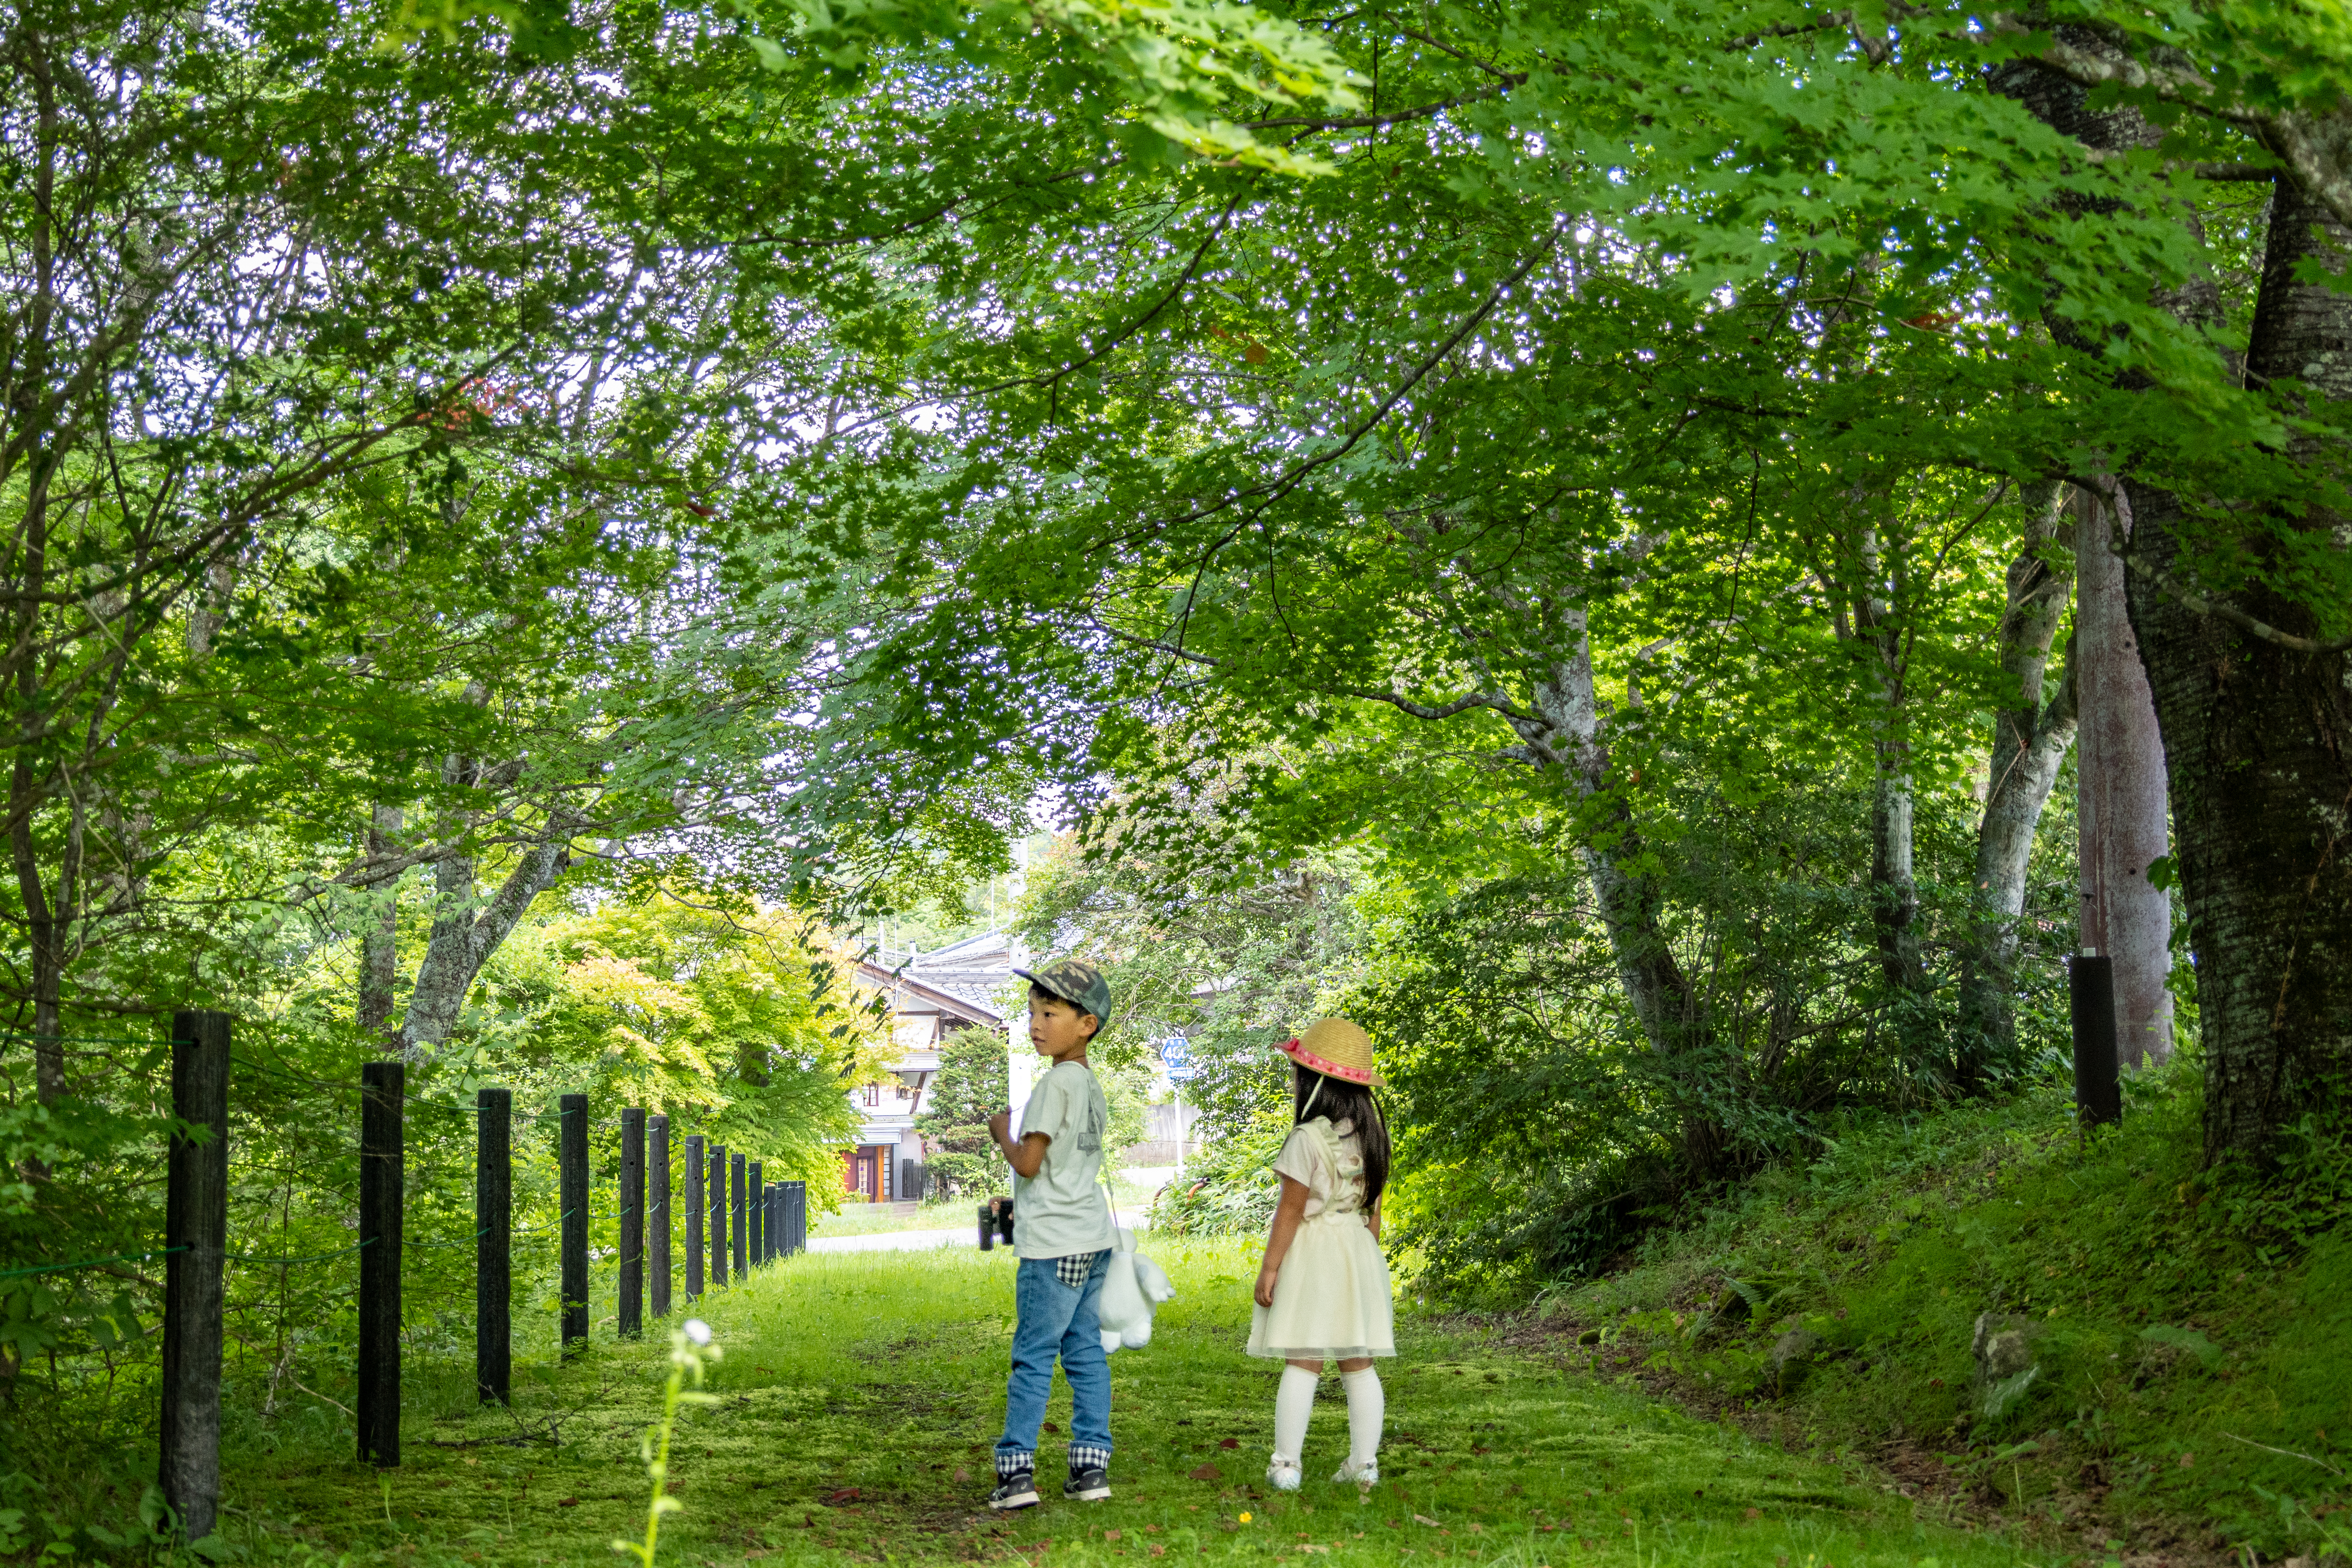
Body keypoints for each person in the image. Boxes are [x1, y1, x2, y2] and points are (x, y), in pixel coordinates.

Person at [983, 957, 1118, 1511]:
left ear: (1086, 1023)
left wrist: (1001, 1136)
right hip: (1092, 1239)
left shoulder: (1052, 1086)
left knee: (1034, 1355)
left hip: (1053, 1249)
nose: (1035, 1025)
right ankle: (1091, 1468)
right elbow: (1065, 1170)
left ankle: (1016, 1475)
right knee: (1085, 1351)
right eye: (1032, 1013)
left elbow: (1033, 1162)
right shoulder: (1089, 1085)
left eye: (1049, 1012)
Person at [1248, 1017, 1395, 1493]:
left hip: (1314, 1252)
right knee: (1359, 1360)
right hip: (1357, 1248)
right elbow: (1373, 1212)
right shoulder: (1373, 1137)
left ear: (1314, 1082)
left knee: (1303, 1358)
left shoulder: (1307, 1139)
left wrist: (1270, 1268)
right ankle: (1364, 1465)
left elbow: (1290, 1213)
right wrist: (1366, 1261)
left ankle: (1287, 1464)